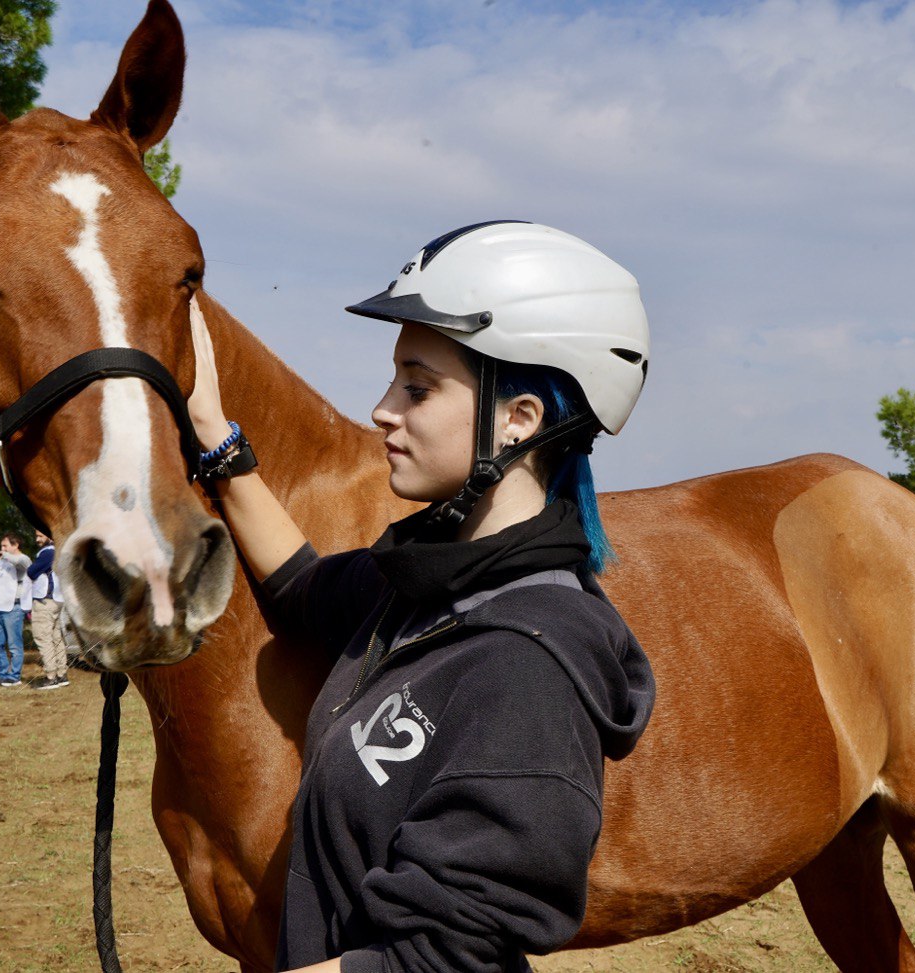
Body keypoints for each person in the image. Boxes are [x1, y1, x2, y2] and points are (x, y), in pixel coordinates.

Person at [186, 221, 656, 973]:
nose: (381, 409)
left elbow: (437, 962)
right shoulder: (425, 582)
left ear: (519, 418)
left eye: (417, 385)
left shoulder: (526, 667)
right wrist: (216, 436)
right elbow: (304, 589)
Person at [0, 533, 32, 687]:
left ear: (16, 545)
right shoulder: (1, 560)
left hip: (13, 608)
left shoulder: (23, 559)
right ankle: (3, 674)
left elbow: (21, 563)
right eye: (1, 546)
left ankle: (14, 676)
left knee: (14, 644)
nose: (1, 549)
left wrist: (5, 555)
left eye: (5, 546)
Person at [27, 530, 69, 690]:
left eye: (40, 536)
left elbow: (31, 572)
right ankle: (61, 673)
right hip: (57, 600)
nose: (37, 539)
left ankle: (51, 676)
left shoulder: (47, 553)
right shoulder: (60, 551)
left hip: (45, 600)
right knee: (56, 637)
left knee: (43, 637)